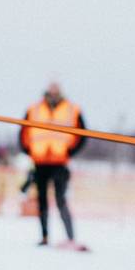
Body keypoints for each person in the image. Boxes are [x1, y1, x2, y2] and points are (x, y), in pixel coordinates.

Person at [19, 83, 86, 247]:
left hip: (60, 162)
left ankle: (70, 238)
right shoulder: (33, 109)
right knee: (41, 201)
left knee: (60, 199)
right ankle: (44, 237)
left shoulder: (72, 109)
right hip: (40, 162)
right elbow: (23, 132)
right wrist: (30, 151)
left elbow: (82, 134)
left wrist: (70, 152)